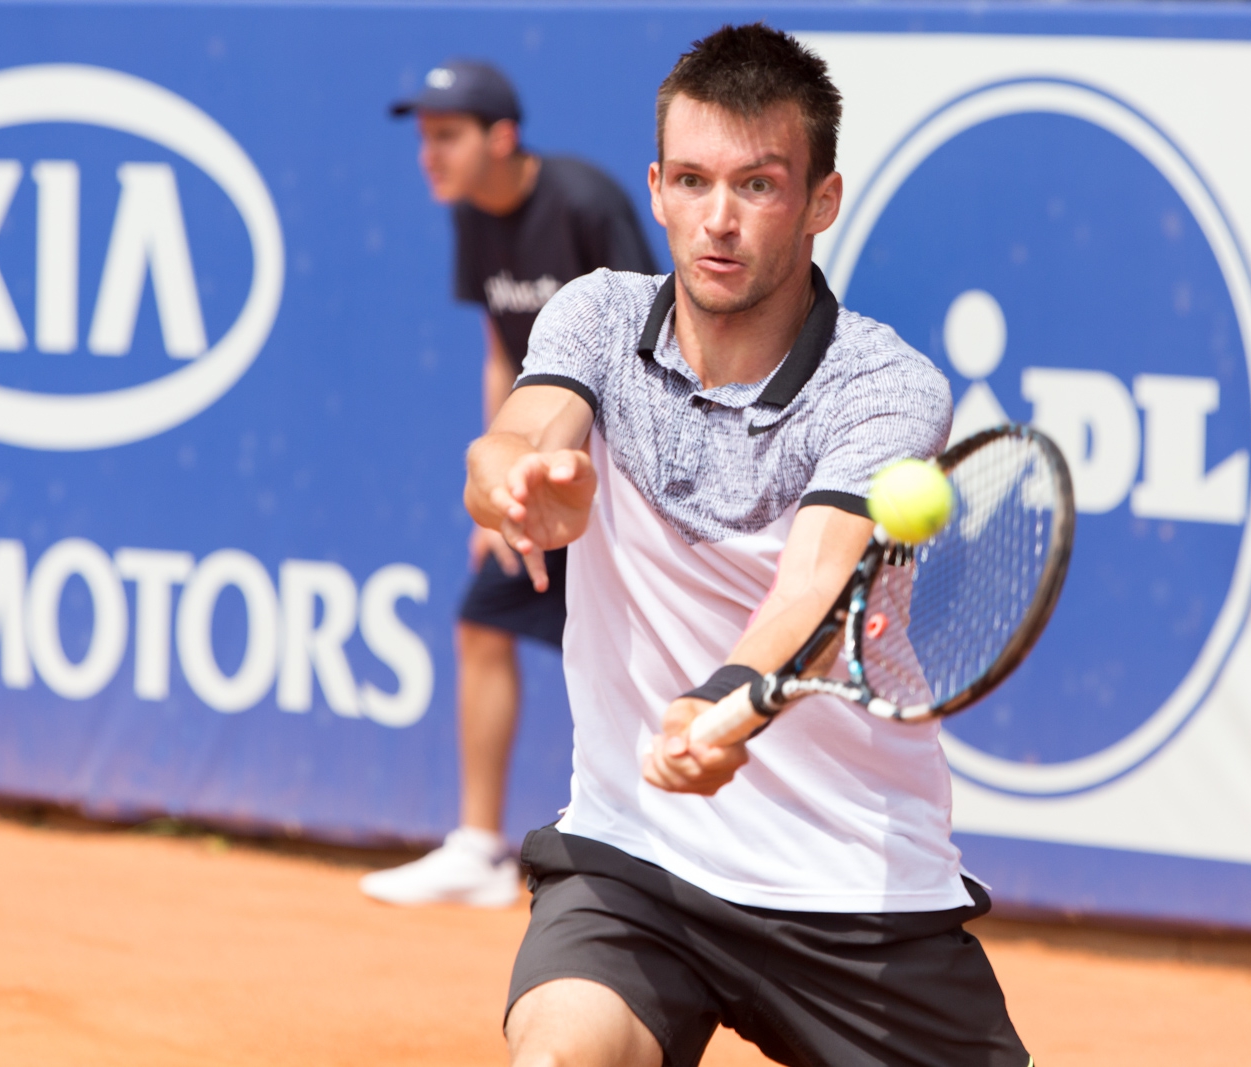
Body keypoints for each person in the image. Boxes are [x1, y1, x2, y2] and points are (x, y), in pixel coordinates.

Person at [465, 24, 1032, 1067]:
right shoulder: (593, 316)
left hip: (852, 889)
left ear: (821, 200)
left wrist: (723, 701)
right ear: (656, 187)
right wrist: (512, 482)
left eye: (758, 186)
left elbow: (816, 584)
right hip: (634, 860)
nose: (716, 221)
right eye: (691, 180)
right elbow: (520, 433)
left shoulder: (882, 387)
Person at [362, 59, 658, 908]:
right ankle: (479, 848)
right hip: (538, 471)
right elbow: (504, 352)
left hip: (617, 481)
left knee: (645, 662)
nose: (430, 154)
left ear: (502, 137)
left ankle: (661, 858)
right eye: (424, 138)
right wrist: (500, 476)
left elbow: (650, 339)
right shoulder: (472, 217)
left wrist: (609, 483)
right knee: (482, 620)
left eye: (446, 135)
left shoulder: (585, 203)